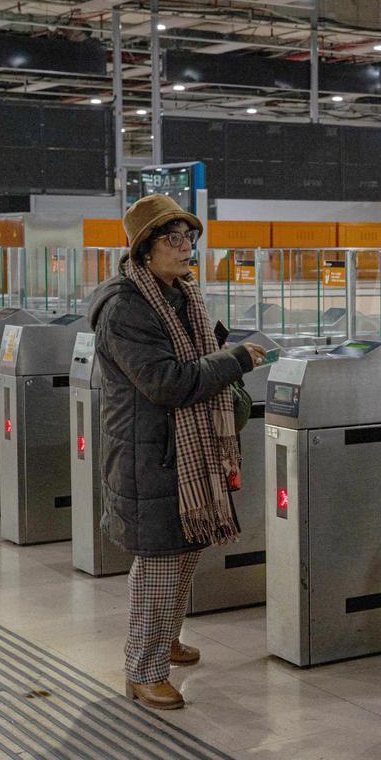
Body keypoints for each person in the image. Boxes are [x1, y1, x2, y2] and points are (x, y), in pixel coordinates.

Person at [88, 194, 267, 711]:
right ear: (144, 249)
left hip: (182, 452)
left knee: (185, 549)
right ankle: (143, 670)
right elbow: (167, 382)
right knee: (161, 559)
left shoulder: (181, 295)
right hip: (149, 453)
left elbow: (192, 357)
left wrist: (221, 351)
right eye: (173, 238)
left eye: (189, 237)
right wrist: (234, 360)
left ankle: (165, 638)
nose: (186, 247)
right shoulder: (125, 308)